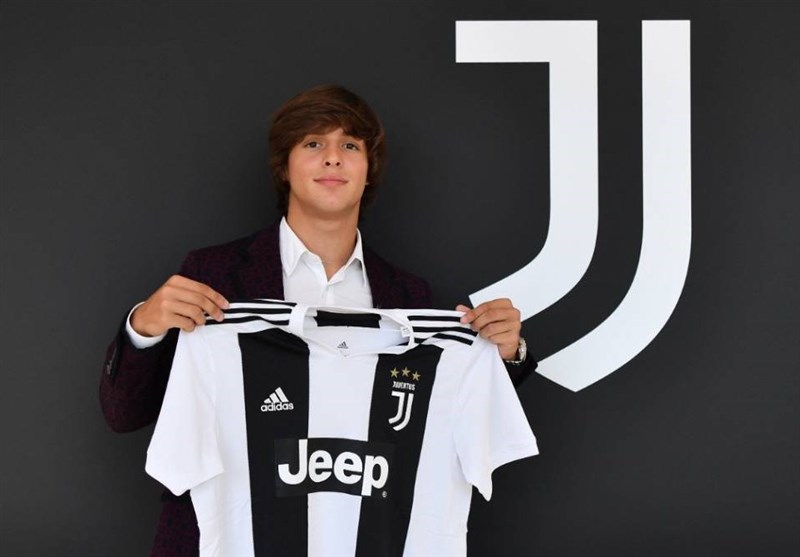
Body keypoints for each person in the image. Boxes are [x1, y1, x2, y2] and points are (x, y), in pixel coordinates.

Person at [100, 85, 535, 557]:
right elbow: (124, 414)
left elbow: (448, 407)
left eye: (350, 145)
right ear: (284, 166)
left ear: (369, 170)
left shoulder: (410, 298)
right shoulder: (214, 276)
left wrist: (504, 353)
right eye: (313, 143)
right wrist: (145, 327)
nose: (333, 158)